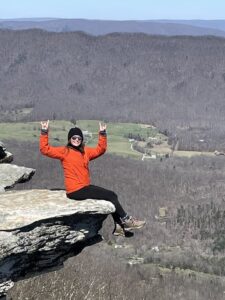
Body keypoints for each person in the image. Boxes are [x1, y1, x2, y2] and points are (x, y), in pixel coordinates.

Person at [40, 120, 145, 237]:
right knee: (110, 195)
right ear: (69, 139)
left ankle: (119, 227)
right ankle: (127, 220)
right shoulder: (65, 151)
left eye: (79, 138)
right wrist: (44, 131)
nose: (76, 140)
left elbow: (100, 150)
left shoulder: (85, 152)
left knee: (112, 195)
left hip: (84, 187)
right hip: (75, 190)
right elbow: (45, 149)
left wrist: (102, 134)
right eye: (74, 138)